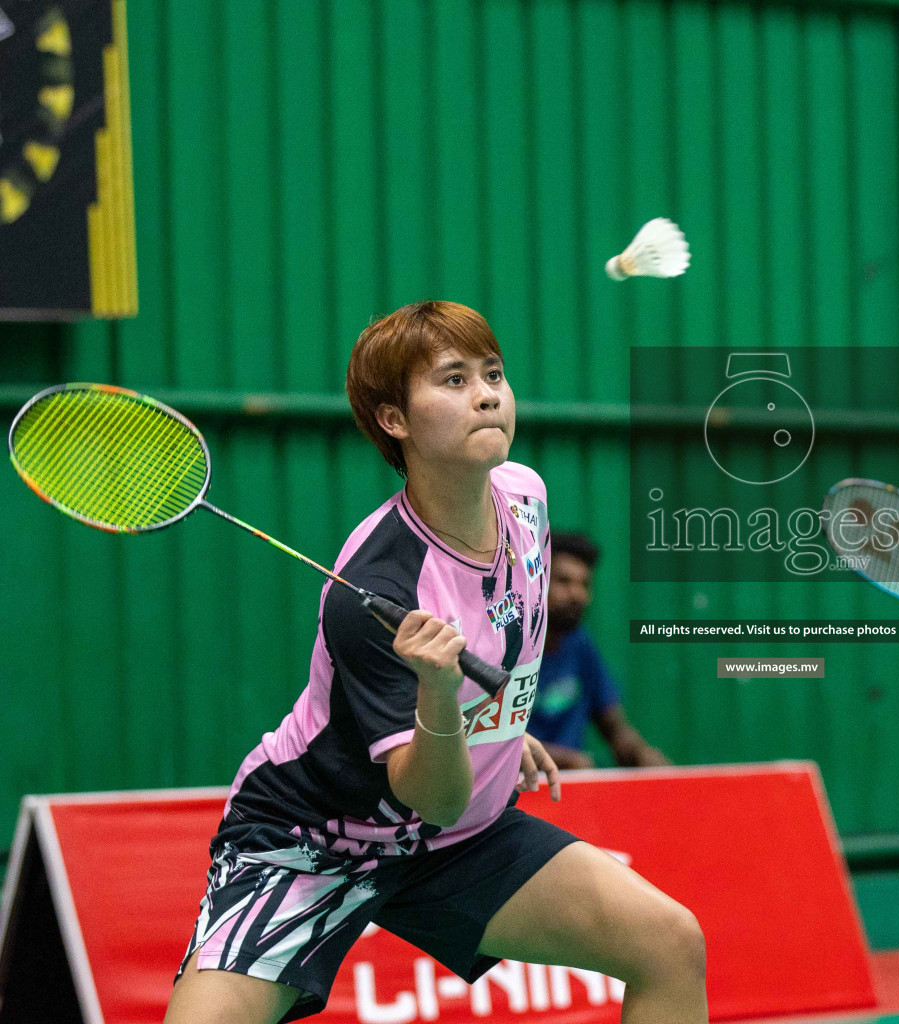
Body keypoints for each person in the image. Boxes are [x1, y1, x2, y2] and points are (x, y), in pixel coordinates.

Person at [163, 302, 706, 1024]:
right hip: (313, 839)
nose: (486, 394)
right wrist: (443, 700)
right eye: (453, 380)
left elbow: (504, 635)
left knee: (669, 942)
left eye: (493, 374)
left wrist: (499, 726)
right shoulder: (375, 593)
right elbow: (435, 794)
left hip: (453, 840)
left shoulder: (527, 499)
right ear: (395, 419)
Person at [528, 532, 670, 770]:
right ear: (536, 583)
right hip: (516, 794)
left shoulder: (580, 645)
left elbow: (614, 727)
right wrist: (566, 762)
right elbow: (490, 744)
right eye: (564, 581)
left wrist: (643, 755)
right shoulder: (507, 649)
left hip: (572, 791)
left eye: (585, 584)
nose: (577, 594)